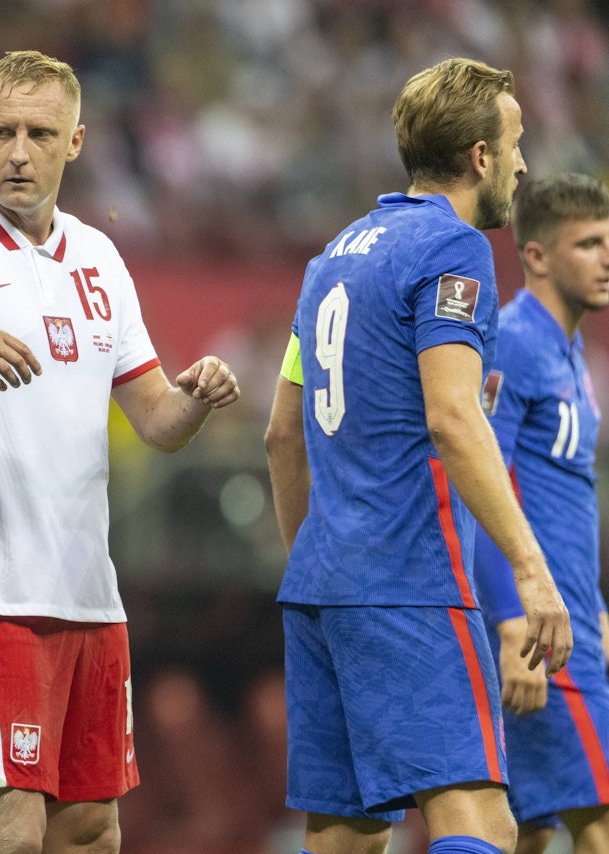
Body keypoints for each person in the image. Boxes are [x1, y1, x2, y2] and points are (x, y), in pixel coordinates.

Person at [0, 50, 240, 854]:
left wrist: (197, 397)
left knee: (91, 830)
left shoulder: (99, 257)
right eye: (1, 132)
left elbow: (157, 421)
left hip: (91, 594)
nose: (19, 152)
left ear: (76, 143)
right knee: (12, 828)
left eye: (40, 133)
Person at [264, 57, 573, 854]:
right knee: (482, 821)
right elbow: (453, 419)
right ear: (480, 155)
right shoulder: (452, 248)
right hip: (410, 579)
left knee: (347, 833)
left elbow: (282, 434)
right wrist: (532, 571)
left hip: (321, 585)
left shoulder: (331, 258)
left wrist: (320, 567)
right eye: (516, 144)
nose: (523, 165)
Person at [471, 172, 609, 854]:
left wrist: (597, 609)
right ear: (537, 256)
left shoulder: (570, 350)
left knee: (527, 832)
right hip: (541, 634)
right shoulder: (514, 342)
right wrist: (511, 621)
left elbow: (563, 498)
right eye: (588, 244)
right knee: (599, 821)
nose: (606, 259)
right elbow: (480, 483)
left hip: (573, 622)